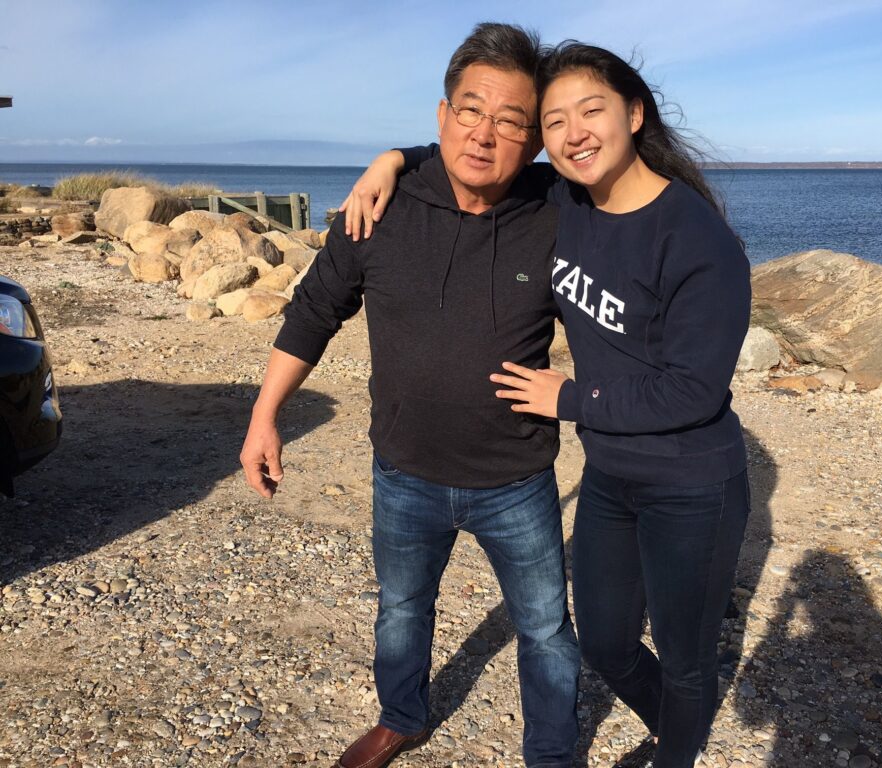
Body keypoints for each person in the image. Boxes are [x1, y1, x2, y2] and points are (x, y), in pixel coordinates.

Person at [343, 41, 751, 768]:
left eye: (590, 111)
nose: (574, 133)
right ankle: (678, 724)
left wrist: (568, 396)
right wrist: (393, 159)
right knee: (604, 644)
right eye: (555, 121)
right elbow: (476, 149)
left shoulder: (698, 238)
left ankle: (676, 748)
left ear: (634, 113)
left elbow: (696, 388)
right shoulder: (568, 198)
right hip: (609, 474)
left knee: (686, 663)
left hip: (692, 482)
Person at [239, 23, 580, 768]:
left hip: (516, 479)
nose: (485, 134)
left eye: (511, 121)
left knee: (547, 628)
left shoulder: (560, 212)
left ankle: (553, 754)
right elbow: (313, 312)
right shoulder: (380, 208)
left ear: (534, 143)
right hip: (404, 472)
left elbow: (634, 239)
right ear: (441, 115)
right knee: (400, 608)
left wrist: (588, 398)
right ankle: (401, 716)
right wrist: (265, 417)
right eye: (470, 110)